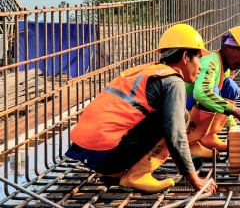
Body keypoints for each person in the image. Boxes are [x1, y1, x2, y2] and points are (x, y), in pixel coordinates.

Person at [66, 24, 218, 194]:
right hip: (106, 155)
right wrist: (195, 180)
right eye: (198, 58)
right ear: (185, 56)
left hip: (88, 153)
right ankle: (137, 176)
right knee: (179, 117)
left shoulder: (148, 71)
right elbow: (175, 135)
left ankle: (115, 172)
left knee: (163, 116)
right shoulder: (173, 81)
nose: (200, 66)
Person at [187, 25, 240, 159]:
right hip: (178, 110)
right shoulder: (211, 61)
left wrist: (235, 130)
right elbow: (201, 93)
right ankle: (190, 142)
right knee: (212, 91)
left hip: (189, 111)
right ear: (229, 46)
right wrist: (235, 111)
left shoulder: (224, 68)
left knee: (230, 87)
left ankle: (209, 135)